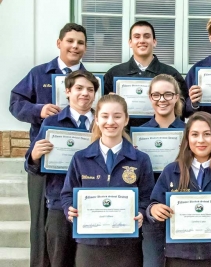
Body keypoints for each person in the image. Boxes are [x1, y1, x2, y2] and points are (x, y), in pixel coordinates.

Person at [9, 23, 87, 267]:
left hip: (78, 163)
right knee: (41, 224)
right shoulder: (39, 73)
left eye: (80, 42)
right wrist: (38, 110)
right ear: (59, 43)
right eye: (70, 41)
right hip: (44, 160)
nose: (75, 46)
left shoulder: (90, 80)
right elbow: (15, 102)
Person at [61, 94, 155, 267]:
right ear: (96, 119)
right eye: (104, 116)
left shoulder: (141, 159)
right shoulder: (80, 158)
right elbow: (67, 194)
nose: (110, 121)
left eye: (117, 116)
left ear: (126, 120)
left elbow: (147, 196)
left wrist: (142, 212)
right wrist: (70, 209)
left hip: (127, 245)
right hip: (89, 244)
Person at [148, 111, 211, 267]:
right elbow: (153, 206)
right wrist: (154, 210)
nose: (201, 140)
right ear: (187, 139)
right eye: (195, 134)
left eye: (207, 134)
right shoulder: (171, 171)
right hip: (180, 256)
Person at [24, 70, 99, 267]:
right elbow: (32, 167)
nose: (85, 93)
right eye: (79, 88)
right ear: (67, 91)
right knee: (59, 260)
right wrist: (34, 156)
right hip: (59, 203)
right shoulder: (51, 122)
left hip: (93, 202)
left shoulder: (102, 124)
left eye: (90, 90)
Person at [139, 74, 185, 267]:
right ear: (150, 98)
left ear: (176, 97)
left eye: (167, 94)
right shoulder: (138, 135)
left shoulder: (189, 132)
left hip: (183, 211)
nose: (162, 100)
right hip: (152, 212)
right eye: (156, 95)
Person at [104, 20, 187, 126]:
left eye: (147, 36)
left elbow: (183, 110)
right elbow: (102, 110)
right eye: (137, 36)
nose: (142, 40)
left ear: (154, 41)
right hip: (124, 135)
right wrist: (110, 101)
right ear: (130, 42)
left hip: (161, 135)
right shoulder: (115, 73)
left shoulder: (171, 74)